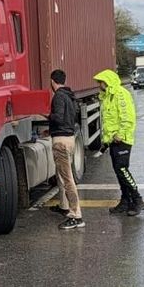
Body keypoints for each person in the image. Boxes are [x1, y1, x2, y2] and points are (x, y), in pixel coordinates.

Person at [92, 69, 144, 216]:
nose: (99, 85)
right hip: (113, 141)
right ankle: (125, 200)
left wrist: (120, 135)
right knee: (118, 171)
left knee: (122, 170)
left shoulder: (121, 94)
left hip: (122, 140)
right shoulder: (108, 96)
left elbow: (128, 117)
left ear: (107, 82)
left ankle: (138, 200)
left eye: (101, 82)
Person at [48, 69, 84, 230]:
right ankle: (64, 206)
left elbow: (58, 117)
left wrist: (46, 115)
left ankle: (76, 215)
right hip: (69, 138)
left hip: (61, 142)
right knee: (62, 176)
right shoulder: (70, 96)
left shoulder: (58, 97)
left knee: (67, 179)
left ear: (52, 81)